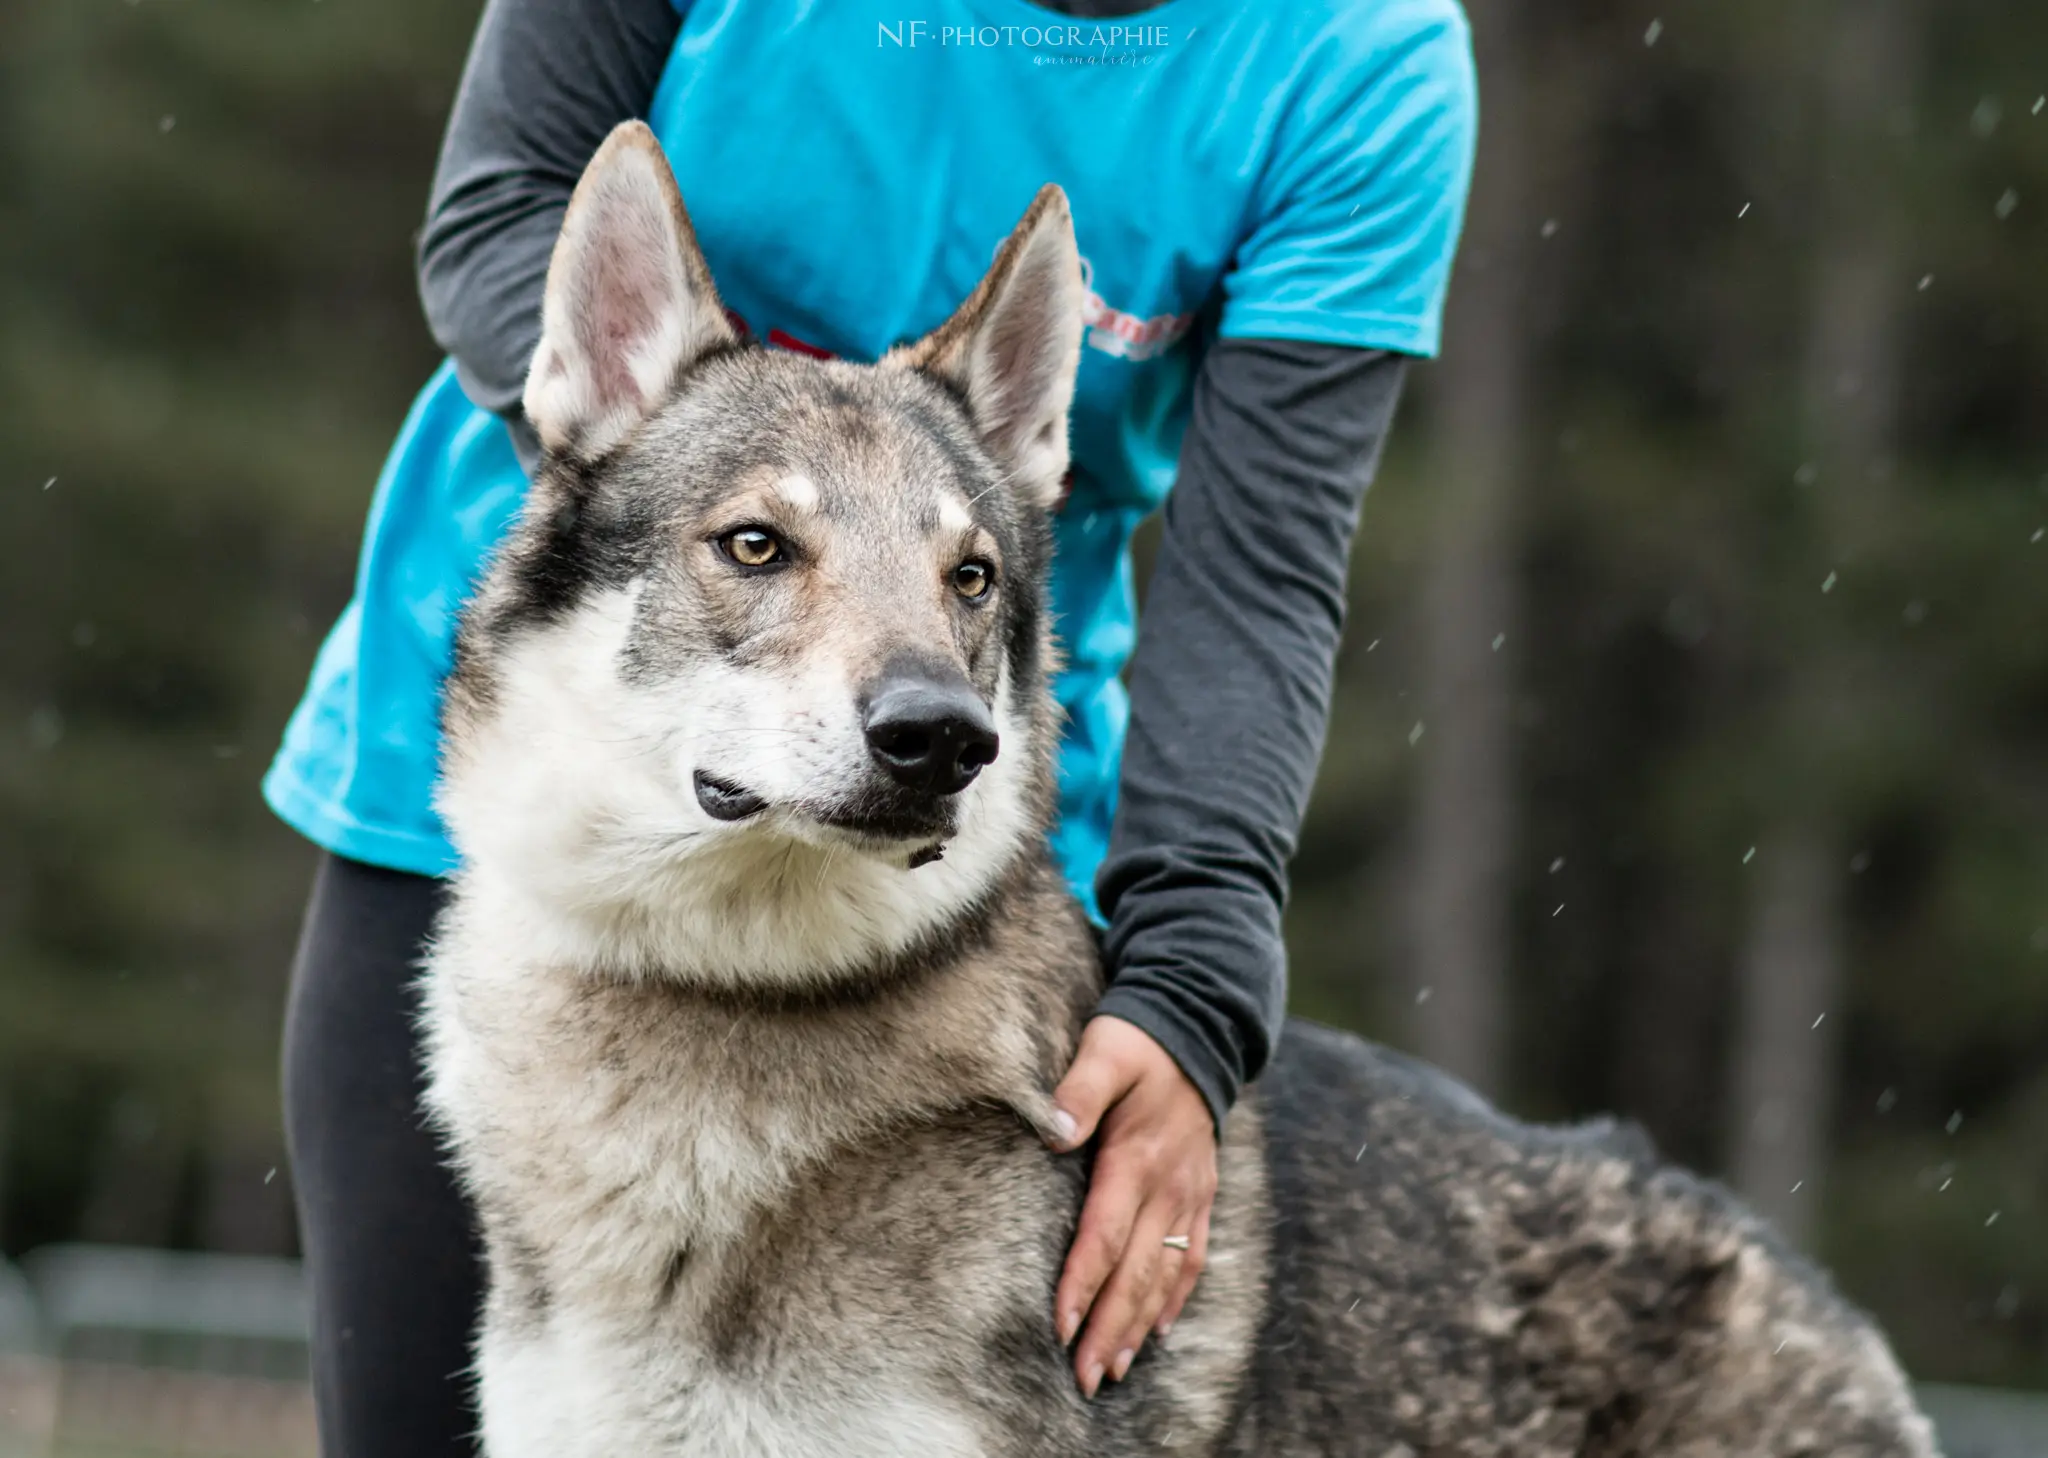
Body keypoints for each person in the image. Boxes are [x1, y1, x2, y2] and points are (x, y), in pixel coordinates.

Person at [268, 0, 1475, 1451]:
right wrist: (712, 463)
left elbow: (1262, 573)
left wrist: (1196, 992)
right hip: (531, 812)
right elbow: (499, 211)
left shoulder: (1358, 53)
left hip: (954, 920)